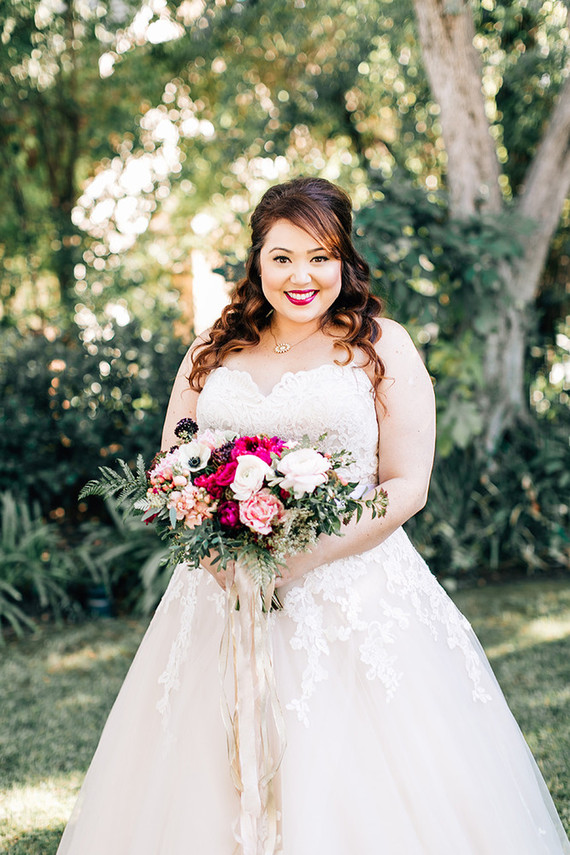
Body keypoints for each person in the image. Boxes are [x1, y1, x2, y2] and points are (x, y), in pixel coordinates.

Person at [57, 177, 570, 855]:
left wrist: (302, 558)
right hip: (220, 594)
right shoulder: (211, 351)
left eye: (320, 257)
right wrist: (218, 561)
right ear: (257, 262)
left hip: (354, 591)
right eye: (282, 258)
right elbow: (172, 472)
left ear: (344, 260)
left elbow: (406, 485)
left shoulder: (382, 346)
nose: (301, 277)